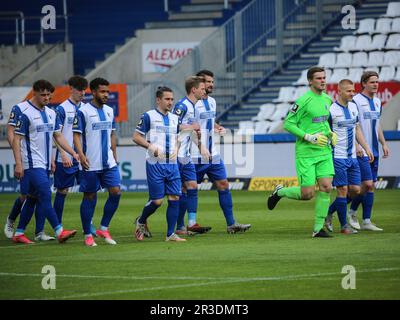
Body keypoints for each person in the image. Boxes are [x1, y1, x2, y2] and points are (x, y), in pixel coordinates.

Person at [267, 66, 337, 238]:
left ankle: (318, 228)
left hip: (324, 151)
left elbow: (323, 122)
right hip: (306, 153)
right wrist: (308, 137)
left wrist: (330, 133)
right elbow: (288, 124)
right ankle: (280, 192)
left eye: (324, 77)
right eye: (319, 78)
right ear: (310, 81)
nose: (323, 81)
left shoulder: (328, 100)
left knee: (326, 187)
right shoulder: (303, 101)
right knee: (307, 194)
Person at [11, 79, 78, 244]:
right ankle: (59, 231)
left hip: (45, 164)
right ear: (35, 93)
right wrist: (19, 164)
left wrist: (73, 153)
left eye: (49, 94)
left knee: (33, 198)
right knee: (46, 195)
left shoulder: (51, 113)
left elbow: (58, 136)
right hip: (31, 163)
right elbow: (16, 140)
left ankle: (19, 233)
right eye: (43, 95)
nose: (47, 98)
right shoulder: (26, 114)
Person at [193, 70, 251, 234]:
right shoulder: (191, 104)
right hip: (195, 155)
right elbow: (188, 127)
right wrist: (199, 146)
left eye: (212, 81)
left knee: (223, 184)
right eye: (208, 82)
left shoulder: (211, 101)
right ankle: (184, 226)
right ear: (200, 84)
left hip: (213, 154)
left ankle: (231, 224)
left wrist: (217, 126)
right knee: (185, 190)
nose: (212, 85)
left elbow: (208, 121)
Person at [73, 77, 121, 247]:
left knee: (116, 192)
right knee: (90, 196)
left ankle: (103, 228)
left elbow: (112, 134)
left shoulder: (109, 110)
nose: (106, 94)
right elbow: (76, 135)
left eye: (108, 91)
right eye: (103, 91)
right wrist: (80, 154)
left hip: (109, 162)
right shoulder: (83, 111)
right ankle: (87, 234)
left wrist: (114, 154)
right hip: (90, 163)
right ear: (93, 92)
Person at [133, 86, 185, 242]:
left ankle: (170, 234)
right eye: (167, 99)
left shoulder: (175, 118)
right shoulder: (148, 116)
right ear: (158, 100)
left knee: (175, 197)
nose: (170, 102)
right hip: (155, 164)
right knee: (157, 201)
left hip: (172, 164)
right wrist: (150, 147)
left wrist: (176, 147)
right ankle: (141, 221)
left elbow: (178, 137)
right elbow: (136, 137)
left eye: (172, 99)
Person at [4, 91, 55, 241]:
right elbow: (11, 131)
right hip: (27, 160)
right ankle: (11, 220)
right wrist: (19, 158)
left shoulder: (47, 111)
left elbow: (48, 136)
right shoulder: (20, 108)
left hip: (43, 161)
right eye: (44, 93)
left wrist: (51, 157)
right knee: (25, 195)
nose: (47, 97)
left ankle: (40, 232)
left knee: (40, 194)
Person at [324, 79, 374, 234]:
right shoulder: (331, 110)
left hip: (353, 157)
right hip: (337, 156)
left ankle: (329, 212)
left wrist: (366, 147)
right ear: (339, 91)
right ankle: (344, 226)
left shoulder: (353, 107)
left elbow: (357, 128)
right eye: (349, 91)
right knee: (343, 190)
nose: (352, 93)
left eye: (353, 90)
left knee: (356, 189)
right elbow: (326, 132)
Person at [53, 75, 97, 236]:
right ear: (71, 88)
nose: (82, 93)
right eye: (79, 89)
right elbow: (56, 133)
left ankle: (89, 223)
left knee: (90, 190)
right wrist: (63, 153)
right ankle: (58, 226)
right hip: (66, 157)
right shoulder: (61, 109)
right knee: (62, 190)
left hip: (83, 157)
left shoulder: (86, 108)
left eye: (84, 90)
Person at [348, 71, 389, 231]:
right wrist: (357, 145)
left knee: (369, 187)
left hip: (374, 151)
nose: (376, 85)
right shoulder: (356, 101)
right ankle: (348, 211)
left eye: (377, 82)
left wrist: (384, 143)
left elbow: (377, 125)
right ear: (364, 83)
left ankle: (366, 221)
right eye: (372, 82)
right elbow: (352, 125)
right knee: (368, 185)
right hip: (361, 151)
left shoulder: (378, 102)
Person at [172, 76, 212, 235]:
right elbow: (173, 125)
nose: (205, 90)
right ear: (193, 89)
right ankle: (143, 218)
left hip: (186, 155)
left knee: (192, 186)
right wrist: (191, 126)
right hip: (175, 156)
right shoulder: (181, 106)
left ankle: (191, 223)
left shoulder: (194, 106)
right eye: (202, 88)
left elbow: (192, 131)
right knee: (164, 195)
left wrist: (202, 147)